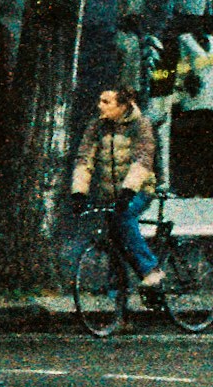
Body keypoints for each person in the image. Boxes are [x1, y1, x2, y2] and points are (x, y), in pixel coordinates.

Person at [68, 86, 166, 293]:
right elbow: (84, 159)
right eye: (100, 100)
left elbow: (143, 160)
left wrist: (128, 191)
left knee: (123, 217)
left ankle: (151, 271)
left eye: (106, 102)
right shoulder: (97, 126)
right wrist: (78, 192)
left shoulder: (140, 125)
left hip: (140, 189)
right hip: (111, 192)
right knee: (114, 236)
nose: (99, 106)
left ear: (122, 106)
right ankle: (118, 295)